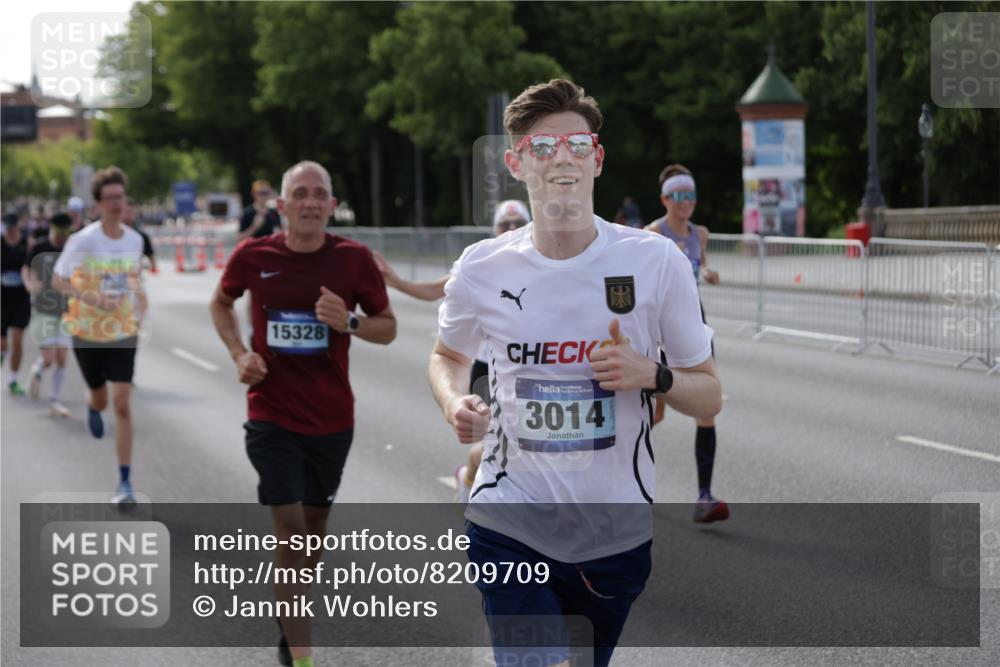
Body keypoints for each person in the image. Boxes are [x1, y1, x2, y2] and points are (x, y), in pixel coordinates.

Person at [429, 79, 721, 667]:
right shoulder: (482, 267)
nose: (561, 156)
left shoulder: (654, 261)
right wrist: (454, 402)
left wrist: (652, 375)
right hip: (507, 516)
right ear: (516, 163)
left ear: (597, 157)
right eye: (541, 147)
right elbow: (448, 357)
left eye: (576, 144)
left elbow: (709, 395)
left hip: (613, 533)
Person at [209, 160, 395, 667]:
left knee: (312, 533)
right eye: (300, 193)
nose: (310, 202)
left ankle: (290, 617)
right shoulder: (253, 255)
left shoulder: (353, 260)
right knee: (290, 528)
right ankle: (303, 655)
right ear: (282, 205)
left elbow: (388, 327)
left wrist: (350, 320)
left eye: (320, 194)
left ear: (332, 206)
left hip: (333, 420)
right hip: (270, 413)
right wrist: (238, 355)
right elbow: (221, 304)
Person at [372, 200, 531, 502]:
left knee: (528, 444)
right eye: (504, 224)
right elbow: (435, 290)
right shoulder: (482, 266)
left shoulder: (550, 261)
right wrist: (396, 281)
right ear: (493, 230)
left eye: (518, 223)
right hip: (488, 369)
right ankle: (473, 477)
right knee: (500, 445)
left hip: (530, 368)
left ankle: (475, 478)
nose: (511, 230)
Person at [53, 166, 148, 506]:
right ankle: (94, 407)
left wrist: (139, 295)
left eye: (120, 197)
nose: (116, 204)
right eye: (109, 199)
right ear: (98, 205)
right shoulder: (84, 240)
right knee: (102, 399)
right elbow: (58, 280)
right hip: (88, 332)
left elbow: (133, 277)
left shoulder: (134, 239)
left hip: (123, 330)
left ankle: (125, 483)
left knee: (122, 403)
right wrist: (93, 298)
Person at [644, 164, 728, 524]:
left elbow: (700, 265)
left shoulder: (701, 233)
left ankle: (704, 497)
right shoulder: (652, 234)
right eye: (679, 196)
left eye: (690, 195)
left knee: (706, 408)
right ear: (665, 199)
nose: (686, 202)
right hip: (661, 327)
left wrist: (707, 272)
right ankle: (609, 464)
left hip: (694, 322)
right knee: (656, 412)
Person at [23, 212, 74, 416]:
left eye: (65, 234)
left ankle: (54, 400)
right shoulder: (39, 246)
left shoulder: (71, 248)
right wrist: (30, 283)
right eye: (59, 234)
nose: (62, 239)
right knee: (49, 358)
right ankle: (37, 369)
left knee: (62, 357)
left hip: (66, 308)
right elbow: (26, 269)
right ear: (52, 229)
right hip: (43, 308)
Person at [2, 212, 32, 395]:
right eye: (9, 228)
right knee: (2, 345)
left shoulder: (27, 244)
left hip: (21, 298)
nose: (12, 231)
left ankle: (13, 379)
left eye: (14, 227)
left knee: (17, 339)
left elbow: (29, 267)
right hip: (2, 298)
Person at [125, 198, 158, 274]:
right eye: (126, 212)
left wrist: (146, 266)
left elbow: (152, 261)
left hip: (135, 280)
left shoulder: (141, 237)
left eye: (131, 212)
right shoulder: (110, 235)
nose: (127, 215)